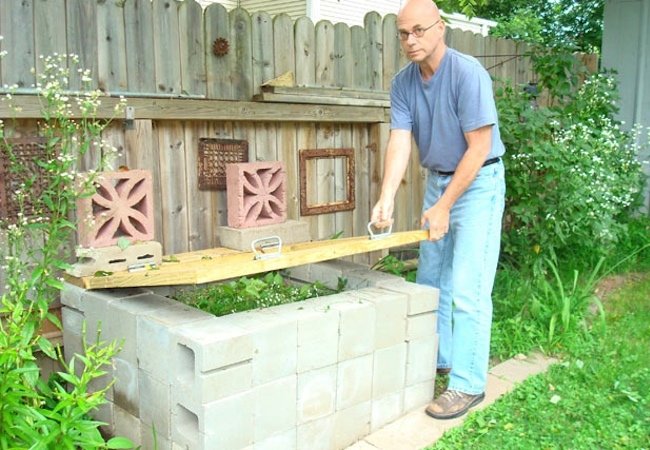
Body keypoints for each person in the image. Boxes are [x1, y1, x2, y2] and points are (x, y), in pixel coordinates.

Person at [370, 0, 506, 420]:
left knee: (468, 286)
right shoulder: (403, 83)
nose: (410, 40)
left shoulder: (468, 74)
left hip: (479, 181)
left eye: (418, 31)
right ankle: (441, 359)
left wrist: (447, 205)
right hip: (438, 181)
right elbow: (400, 140)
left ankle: (467, 384)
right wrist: (387, 196)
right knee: (431, 280)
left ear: (440, 28)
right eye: (403, 33)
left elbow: (480, 146)